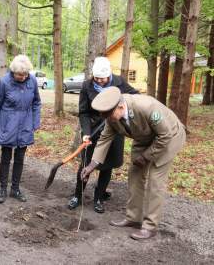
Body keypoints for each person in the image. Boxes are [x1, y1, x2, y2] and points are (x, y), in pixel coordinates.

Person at [81, 86, 186, 240]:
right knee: (135, 175)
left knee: (155, 182)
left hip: (168, 138)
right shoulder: (111, 115)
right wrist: (92, 165)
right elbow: (104, 139)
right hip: (144, 137)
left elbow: (165, 135)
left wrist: (145, 157)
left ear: (121, 107)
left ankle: (150, 227)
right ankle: (133, 218)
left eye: (108, 115)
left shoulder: (147, 107)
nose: (107, 119)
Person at [68, 57, 139, 213]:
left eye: (103, 78)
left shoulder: (119, 83)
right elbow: (84, 112)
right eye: (97, 78)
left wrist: (122, 108)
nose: (99, 81)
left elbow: (136, 97)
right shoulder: (87, 86)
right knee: (86, 165)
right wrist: (86, 133)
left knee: (107, 166)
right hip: (92, 131)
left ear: (109, 75)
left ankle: (99, 198)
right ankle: (77, 196)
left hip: (114, 131)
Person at [0, 55, 41, 203]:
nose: (23, 77)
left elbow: (36, 102)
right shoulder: (5, 82)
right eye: (20, 74)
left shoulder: (32, 81)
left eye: (25, 74)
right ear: (13, 71)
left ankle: (15, 189)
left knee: (20, 158)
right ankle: (2, 189)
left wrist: (35, 121)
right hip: (8, 123)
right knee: (6, 157)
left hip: (25, 123)